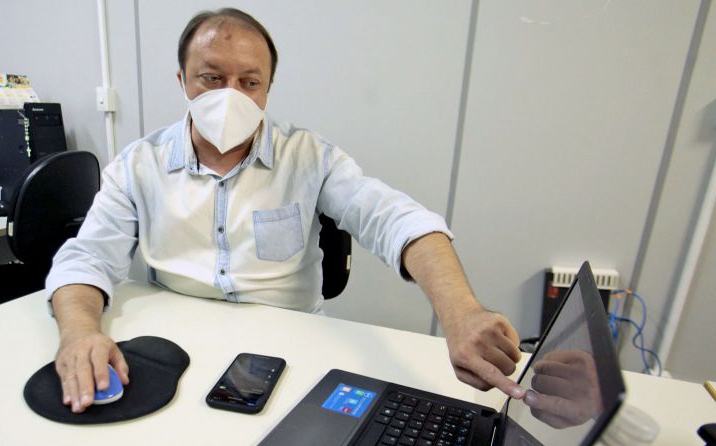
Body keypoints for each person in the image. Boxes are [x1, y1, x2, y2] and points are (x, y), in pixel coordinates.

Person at [46, 7, 525, 413]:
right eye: (212, 78)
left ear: (267, 88)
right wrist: (79, 332)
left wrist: (462, 314)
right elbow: (86, 257)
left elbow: (395, 218)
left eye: (248, 81)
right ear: (183, 81)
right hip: (174, 351)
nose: (231, 95)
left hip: (290, 355)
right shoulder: (138, 164)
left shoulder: (309, 158)